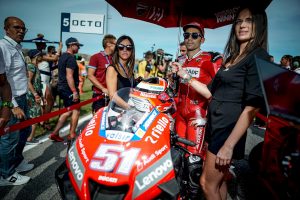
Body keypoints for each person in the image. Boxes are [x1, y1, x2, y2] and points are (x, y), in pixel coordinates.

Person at [174, 7, 270, 199]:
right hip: (214, 126)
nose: (242, 25)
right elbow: (210, 91)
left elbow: (252, 108)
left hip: (227, 130)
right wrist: (185, 77)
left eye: (249, 21)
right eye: (239, 21)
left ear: (259, 25)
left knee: (206, 184)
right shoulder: (232, 59)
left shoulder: (258, 56)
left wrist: (229, 145)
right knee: (219, 182)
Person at [172, 22, 216, 157]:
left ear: (202, 39)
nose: (190, 38)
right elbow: (177, 89)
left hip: (198, 115)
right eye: (186, 35)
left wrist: (208, 118)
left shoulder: (210, 59)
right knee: (178, 153)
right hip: (180, 113)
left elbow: (218, 92)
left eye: (195, 35)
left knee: (193, 157)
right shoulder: (180, 60)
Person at [0, 16, 32, 186]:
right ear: (6, 29)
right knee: (9, 139)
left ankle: (17, 162)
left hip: (22, 96)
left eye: (23, 28)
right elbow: (2, 81)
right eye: (17, 27)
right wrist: (13, 105)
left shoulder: (16, 47)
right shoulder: (3, 47)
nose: (21, 31)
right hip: (11, 100)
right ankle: (6, 174)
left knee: (24, 133)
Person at [49, 37, 82, 142]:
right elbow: (69, 76)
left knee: (67, 110)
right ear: (71, 45)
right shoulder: (71, 58)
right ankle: (71, 134)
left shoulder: (62, 56)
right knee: (75, 110)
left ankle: (55, 133)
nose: (78, 47)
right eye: (77, 45)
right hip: (68, 88)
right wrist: (74, 91)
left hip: (62, 87)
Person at [87, 34, 116, 113]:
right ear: (108, 44)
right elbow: (90, 75)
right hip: (100, 95)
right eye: (115, 44)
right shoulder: (96, 57)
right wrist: (103, 88)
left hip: (113, 95)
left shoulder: (115, 58)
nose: (117, 46)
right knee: (98, 120)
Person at [106, 35, 136, 107]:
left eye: (128, 47)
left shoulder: (129, 69)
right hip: (117, 111)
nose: (125, 50)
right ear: (117, 49)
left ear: (132, 51)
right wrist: (129, 108)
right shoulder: (112, 69)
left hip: (129, 112)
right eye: (121, 47)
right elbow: (112, 96)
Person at [26, 49, 44, 144]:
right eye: (41, 55)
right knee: (35, 117)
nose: (43, 57)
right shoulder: (31, 66)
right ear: (36, 56)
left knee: (35, 116)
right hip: (32, 95)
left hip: (35, 94)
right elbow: (28, 81)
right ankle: (30, 138)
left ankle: (30, 137)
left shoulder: (35, 67)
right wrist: (35, 94)